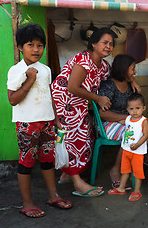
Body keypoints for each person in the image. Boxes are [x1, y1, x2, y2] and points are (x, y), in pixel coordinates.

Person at [51, 28, 129, 197]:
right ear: (93, 43)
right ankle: (78, 184)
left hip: (81, 105)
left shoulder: (104, 66)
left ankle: (67, 175)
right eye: (105, 42)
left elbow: (118, 74)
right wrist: (98, 99)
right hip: (66, 102)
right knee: (73, 139)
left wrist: (134, 80)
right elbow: (72, 87)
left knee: (86, 138)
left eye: (111, 44)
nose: (109, 46)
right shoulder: (83, 59)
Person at [7, 23, 72, 218]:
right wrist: (29, 81)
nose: (36, 49)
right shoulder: (16, 70)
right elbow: (12, 99)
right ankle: (27, 203)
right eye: (30, 45)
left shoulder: (45, 70)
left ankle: (53, 196)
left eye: (40, 45)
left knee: (47, 160)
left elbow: (49, 96)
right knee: (26, 162)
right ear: (20, 47)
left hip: (47, 122)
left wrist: (56, 118)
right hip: (27, 123)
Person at [97, 54, 148, 189]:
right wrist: (125, 120)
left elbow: (136, 107)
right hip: (108, 124)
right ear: (123, 69)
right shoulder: (108, 86)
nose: (135, 72)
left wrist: (141, 121)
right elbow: (102, 113)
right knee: (132, 133)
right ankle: (115, 170)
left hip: (129, 122)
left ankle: (140, 157)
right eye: (132, 69)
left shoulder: (130, 86)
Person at [108, 93, 148, 201]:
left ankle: (137, 191)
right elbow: (123, 124)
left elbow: (145, 135)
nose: (135, 111)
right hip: (126, 150)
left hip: (137, 151)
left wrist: (137, 145)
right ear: (127, 109)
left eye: (138, 108)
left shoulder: (143, 121)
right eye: (131, 109)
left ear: (144, 108)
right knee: (125, 170)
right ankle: (121, 188)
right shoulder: (128, 119)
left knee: (137, 172)